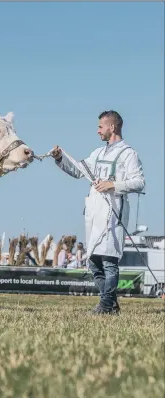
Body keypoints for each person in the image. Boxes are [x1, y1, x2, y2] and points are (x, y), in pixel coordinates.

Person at [51, 110, 145, 315]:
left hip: (113, 213)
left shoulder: (128, 153)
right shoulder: (98, 153)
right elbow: (77, 171)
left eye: (100, 127)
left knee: (109, 261)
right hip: (94, 213)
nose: (97, 131)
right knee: (94, 262)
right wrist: (60, 158)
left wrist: (113, 184)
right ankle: (111, 304)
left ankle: (105, 306)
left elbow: (139, 182)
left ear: (112, 127)